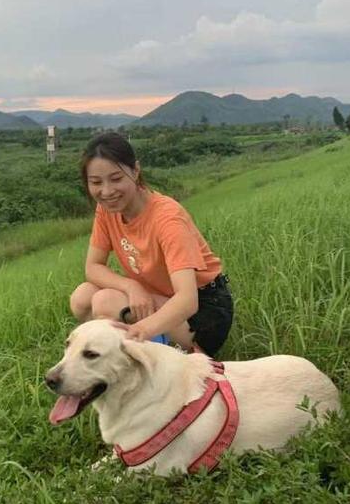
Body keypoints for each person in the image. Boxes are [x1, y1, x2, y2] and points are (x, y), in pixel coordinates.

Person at [69, 132, 233, 356]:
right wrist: (131, 286)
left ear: (135, 171)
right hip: (158, 296)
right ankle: (130, 350)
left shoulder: (167, 218)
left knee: (106, 301)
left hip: (203, 313)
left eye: (116, 179)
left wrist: (139, 330)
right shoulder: (107, 210)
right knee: (82, 297)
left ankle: (141, 355)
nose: (106, 191)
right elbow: (93, 267)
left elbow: (187, 300)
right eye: (96, 182)